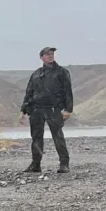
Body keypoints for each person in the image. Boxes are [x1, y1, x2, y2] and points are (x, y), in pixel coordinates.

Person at [20, 46, 72, 174]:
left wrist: (68, 109)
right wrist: (23, 110)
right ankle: (35, 164)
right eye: (47, 54)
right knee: (36, 137)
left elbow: (68, 91)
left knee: (58, 136)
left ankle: (64, 164)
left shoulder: (61, 72)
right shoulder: (36, 74)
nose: (50, 56)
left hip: (54, 109)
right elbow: (29, 92)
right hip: (36, 109)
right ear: (41, 57)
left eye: (52, 53)